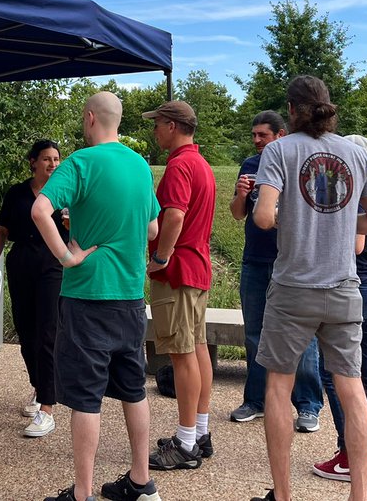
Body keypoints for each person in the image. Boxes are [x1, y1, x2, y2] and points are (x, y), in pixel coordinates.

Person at [250, 76, 367, 501]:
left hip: (293, 288)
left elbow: (261, 217)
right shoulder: (357, 154)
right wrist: (342, 222)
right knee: (352, 389)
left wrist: (293, 219)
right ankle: (360, 495)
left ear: (291, 111)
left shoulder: (278, 150)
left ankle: (283, 494)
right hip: (346, 288)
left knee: (278, 386)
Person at [32, 91, 164, 501]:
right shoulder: (140, 166)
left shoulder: (80, 162)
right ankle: (141, 482)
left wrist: (67, 257)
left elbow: (40, 210)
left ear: (90, 118)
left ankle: (83, 492)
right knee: (133, 388)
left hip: (87, 294)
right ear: (117, 121)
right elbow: (153, 231)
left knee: (86, 398)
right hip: (128, 294)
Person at [229, 111, 324, 432]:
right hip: (254, 261)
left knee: (302, 336)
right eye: (254, 135)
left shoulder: (298, 164)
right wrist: (242, 195)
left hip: (293, 263)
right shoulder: (249, 165)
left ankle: (308, 405)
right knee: (255, 333)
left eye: (262, 136)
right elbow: (236, 214)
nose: (256, 141)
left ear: (280, 135)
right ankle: (255, 400)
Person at [140, 101, 217, 472]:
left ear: (172, 126)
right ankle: (199, 432)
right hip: (197, 268)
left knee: (181, 355)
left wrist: (160, 258)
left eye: (157, 124)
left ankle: (185, 443)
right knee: (197, 348)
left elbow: (174, 215)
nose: (155, 131)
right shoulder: (201, 163)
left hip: (178, 272)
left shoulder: (179, 165)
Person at [313, 137, 367, 482]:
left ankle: (350, 452)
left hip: (355, 290)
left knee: (336, 373)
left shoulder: (354, 197)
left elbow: (357, 244)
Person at [0, 139, 66, 438]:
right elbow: (2, 231)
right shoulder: (17, 193)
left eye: (56, 159)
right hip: (21, 262)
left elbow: (79, 230)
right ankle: (39, 385)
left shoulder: (63, 193)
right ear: (32, 162)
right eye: (46, 159)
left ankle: (48, 407)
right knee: (25, 333)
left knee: (47, 332)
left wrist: (71, 226)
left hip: (52, 265)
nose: (53, 164)